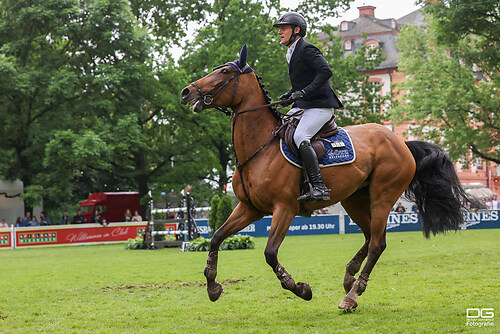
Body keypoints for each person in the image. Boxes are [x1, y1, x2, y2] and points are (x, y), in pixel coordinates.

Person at [274, 12, 343, 202]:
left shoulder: (307, 49)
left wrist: (304, 92)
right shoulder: (292, 51)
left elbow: (325, 71)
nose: (279, 32)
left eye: (283, 28)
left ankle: (319, 187)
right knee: (278, 128)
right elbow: (302, 82)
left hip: (320, 105)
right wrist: (290, 95)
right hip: (304, 105)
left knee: (300, 136)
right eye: (279, 29)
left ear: (296, 30)